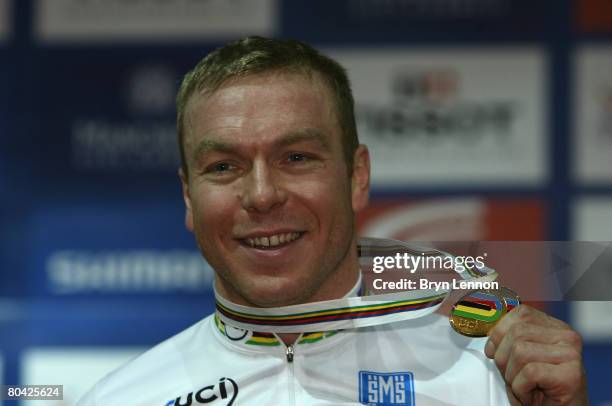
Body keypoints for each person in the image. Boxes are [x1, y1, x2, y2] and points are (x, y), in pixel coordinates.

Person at [77, 37, 588, 405]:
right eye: (224, 166)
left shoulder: (486, 377)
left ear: (356, 176)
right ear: (189, 195)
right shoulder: (120, 399)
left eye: (296, 157)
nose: (261, 195)